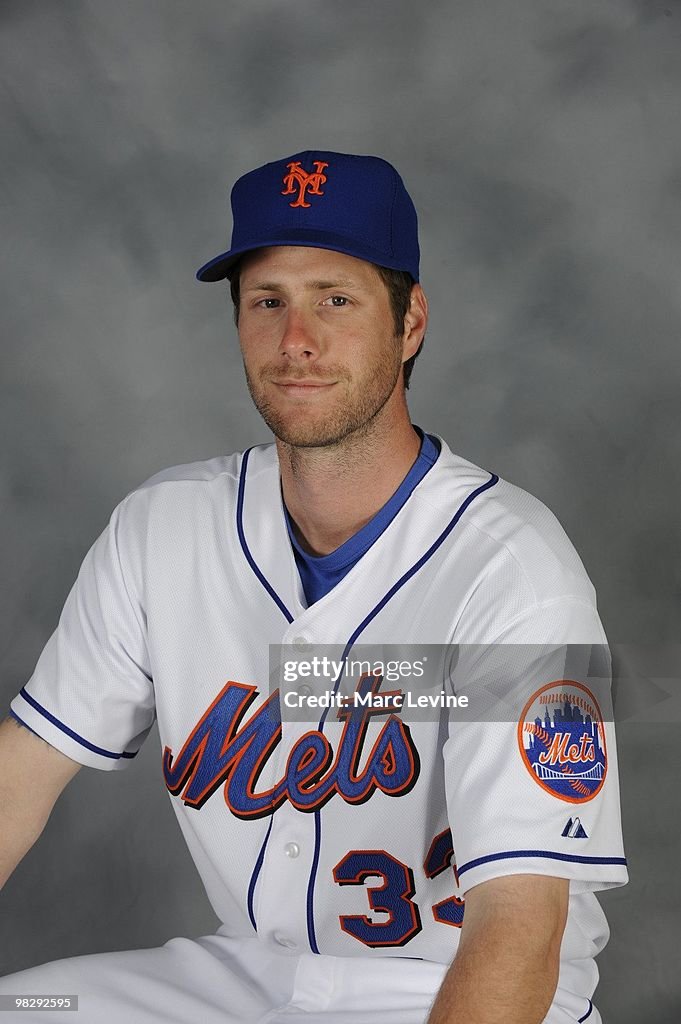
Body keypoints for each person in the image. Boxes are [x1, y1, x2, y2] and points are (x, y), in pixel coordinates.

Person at [0, 150, 627, 1024]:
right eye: (268, 301)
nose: (296, 339)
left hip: (450, 989)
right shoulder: (163, 525)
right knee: (29, 1009)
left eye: (335, 298)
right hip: (246, 978)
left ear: (409, 323)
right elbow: (19, 777)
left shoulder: (515, 568)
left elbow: (522, 921)